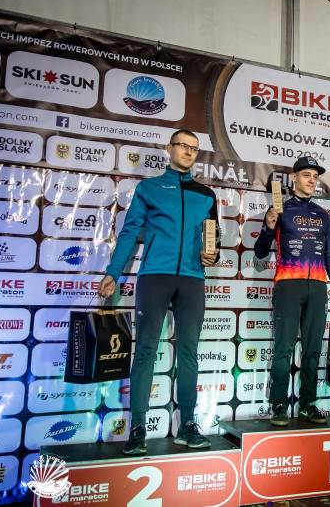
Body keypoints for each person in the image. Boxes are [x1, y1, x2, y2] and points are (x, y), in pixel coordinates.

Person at [99, 129, 219, 455]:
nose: (189, 152)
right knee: (146, 351)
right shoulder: (148, 188)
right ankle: (138, 428)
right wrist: (113, 272)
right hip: (155, 275)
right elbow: (130, 232)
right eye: (183, 146)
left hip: (192, 279)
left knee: (189, 352)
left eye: (194, 148)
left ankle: (188, 424)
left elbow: (213, 237)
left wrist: (212, 255)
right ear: (170, 148)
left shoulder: (206, 194)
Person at [255, 156, 330, 427]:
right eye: (306, 175)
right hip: (288, 285)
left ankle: (307, 403)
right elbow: (260, 252)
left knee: (313, 349)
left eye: (315, 176)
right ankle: (278, 404)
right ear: (294, 178)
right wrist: (269, 226)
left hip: (317, 287)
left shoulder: (323, 215)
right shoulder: (280, 209)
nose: (312, 180)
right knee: (283, 348)